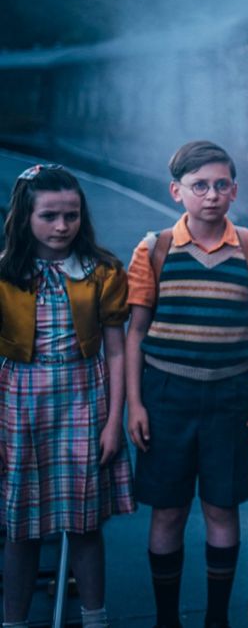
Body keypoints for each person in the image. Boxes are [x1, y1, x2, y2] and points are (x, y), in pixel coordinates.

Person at [123, 141, 248, 628]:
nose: (211, 195)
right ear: (177, 191)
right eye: (199, 186)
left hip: (229, 397)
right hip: (166, 397)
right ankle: (166, 619)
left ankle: (216, 619)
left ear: (234, 189)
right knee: (169, 511)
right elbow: (136, 331)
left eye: (222, 185)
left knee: (222, 509)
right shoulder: (155, 248)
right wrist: (135, 404)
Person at [0, 165, 135, 628]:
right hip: (20, 402)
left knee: (84, 523)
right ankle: (13, 620)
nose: (62, 227)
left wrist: (113, 421)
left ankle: (95, 617)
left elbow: (116, 351)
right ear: (25, 218)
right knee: (20, 527)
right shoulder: (4, 275)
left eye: (72, 215)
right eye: (50, 216)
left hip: (84, 398)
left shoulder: (103, 272)